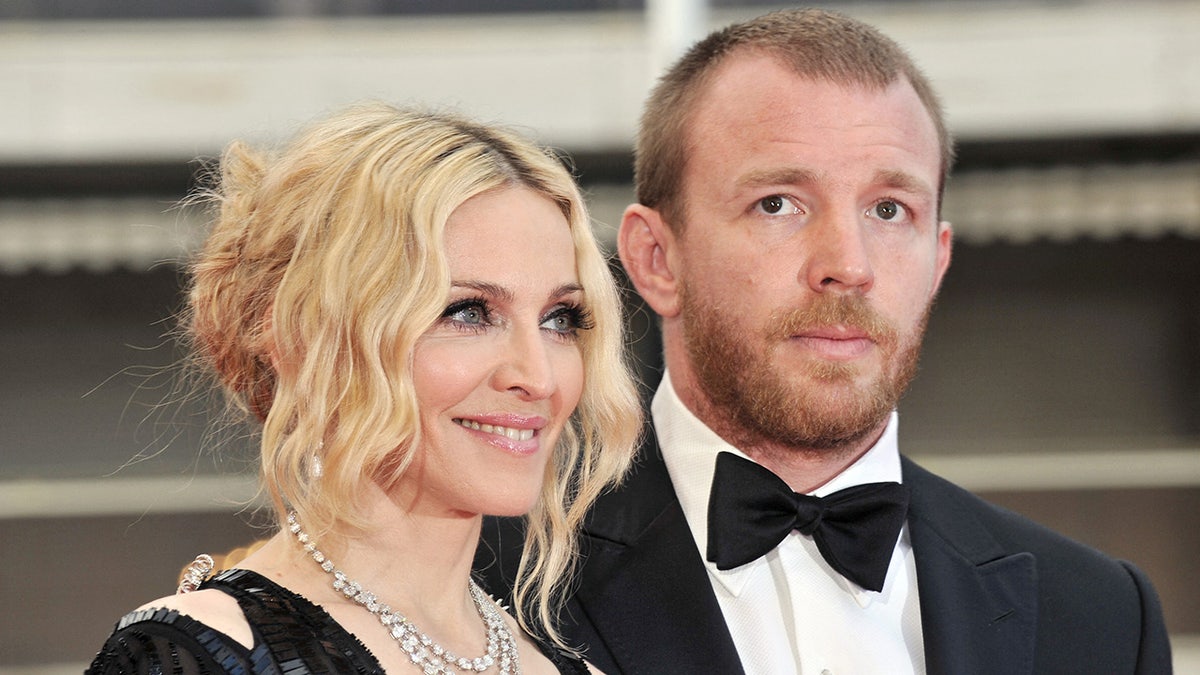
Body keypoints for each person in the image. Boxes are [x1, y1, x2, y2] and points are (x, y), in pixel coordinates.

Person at [476, 8, 1173, 674]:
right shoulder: (485, 574)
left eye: (889, 209)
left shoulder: (1102, 615)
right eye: (778, 203)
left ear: (939, 259)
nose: (849, 263)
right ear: (657, 258)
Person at [87, 102, 642, 674]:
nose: (539, 377)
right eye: (467, 312)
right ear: (305, 340)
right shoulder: (194, 657)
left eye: (560, 319)